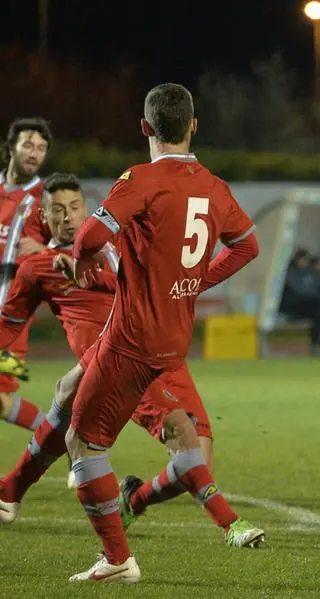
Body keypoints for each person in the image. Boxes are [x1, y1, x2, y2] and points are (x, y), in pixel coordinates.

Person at [6, 83, 259, 583]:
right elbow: (246, 246)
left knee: (84, 442)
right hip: (172, 338)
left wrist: (80, 262)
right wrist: (194, 283)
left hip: (132, 340)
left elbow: (91, 235)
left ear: (145, 128)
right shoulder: (214, 185)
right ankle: (11, 490)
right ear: (194, 126)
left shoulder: (141, 179)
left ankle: (118, 558)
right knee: (68, 390)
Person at [0, 118, 55, 434]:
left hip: (11, 315)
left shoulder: (45, 200)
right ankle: (60, 439)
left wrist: (44, 246)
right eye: (28, 145)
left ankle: (59, 440)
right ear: (11, 148)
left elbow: (74, 246)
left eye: (42, 148)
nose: (35, 154)